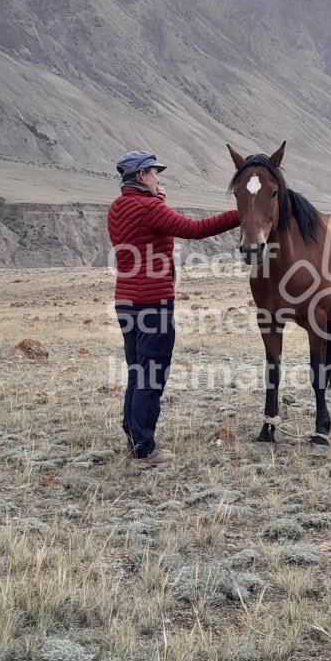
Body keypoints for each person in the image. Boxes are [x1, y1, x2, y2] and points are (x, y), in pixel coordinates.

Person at [108, 150, 239, 467]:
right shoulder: (149, 208)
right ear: (141, 176)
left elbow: (149, 233)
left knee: (138, 371)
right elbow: (194, 229)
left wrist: (159, 201)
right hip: (153, 303)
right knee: (151, 376)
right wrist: (243, 213)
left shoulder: (117, 208)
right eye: (154, 173)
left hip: (126, 302)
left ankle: (134, 435)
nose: (158, 178)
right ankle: (144, 450)